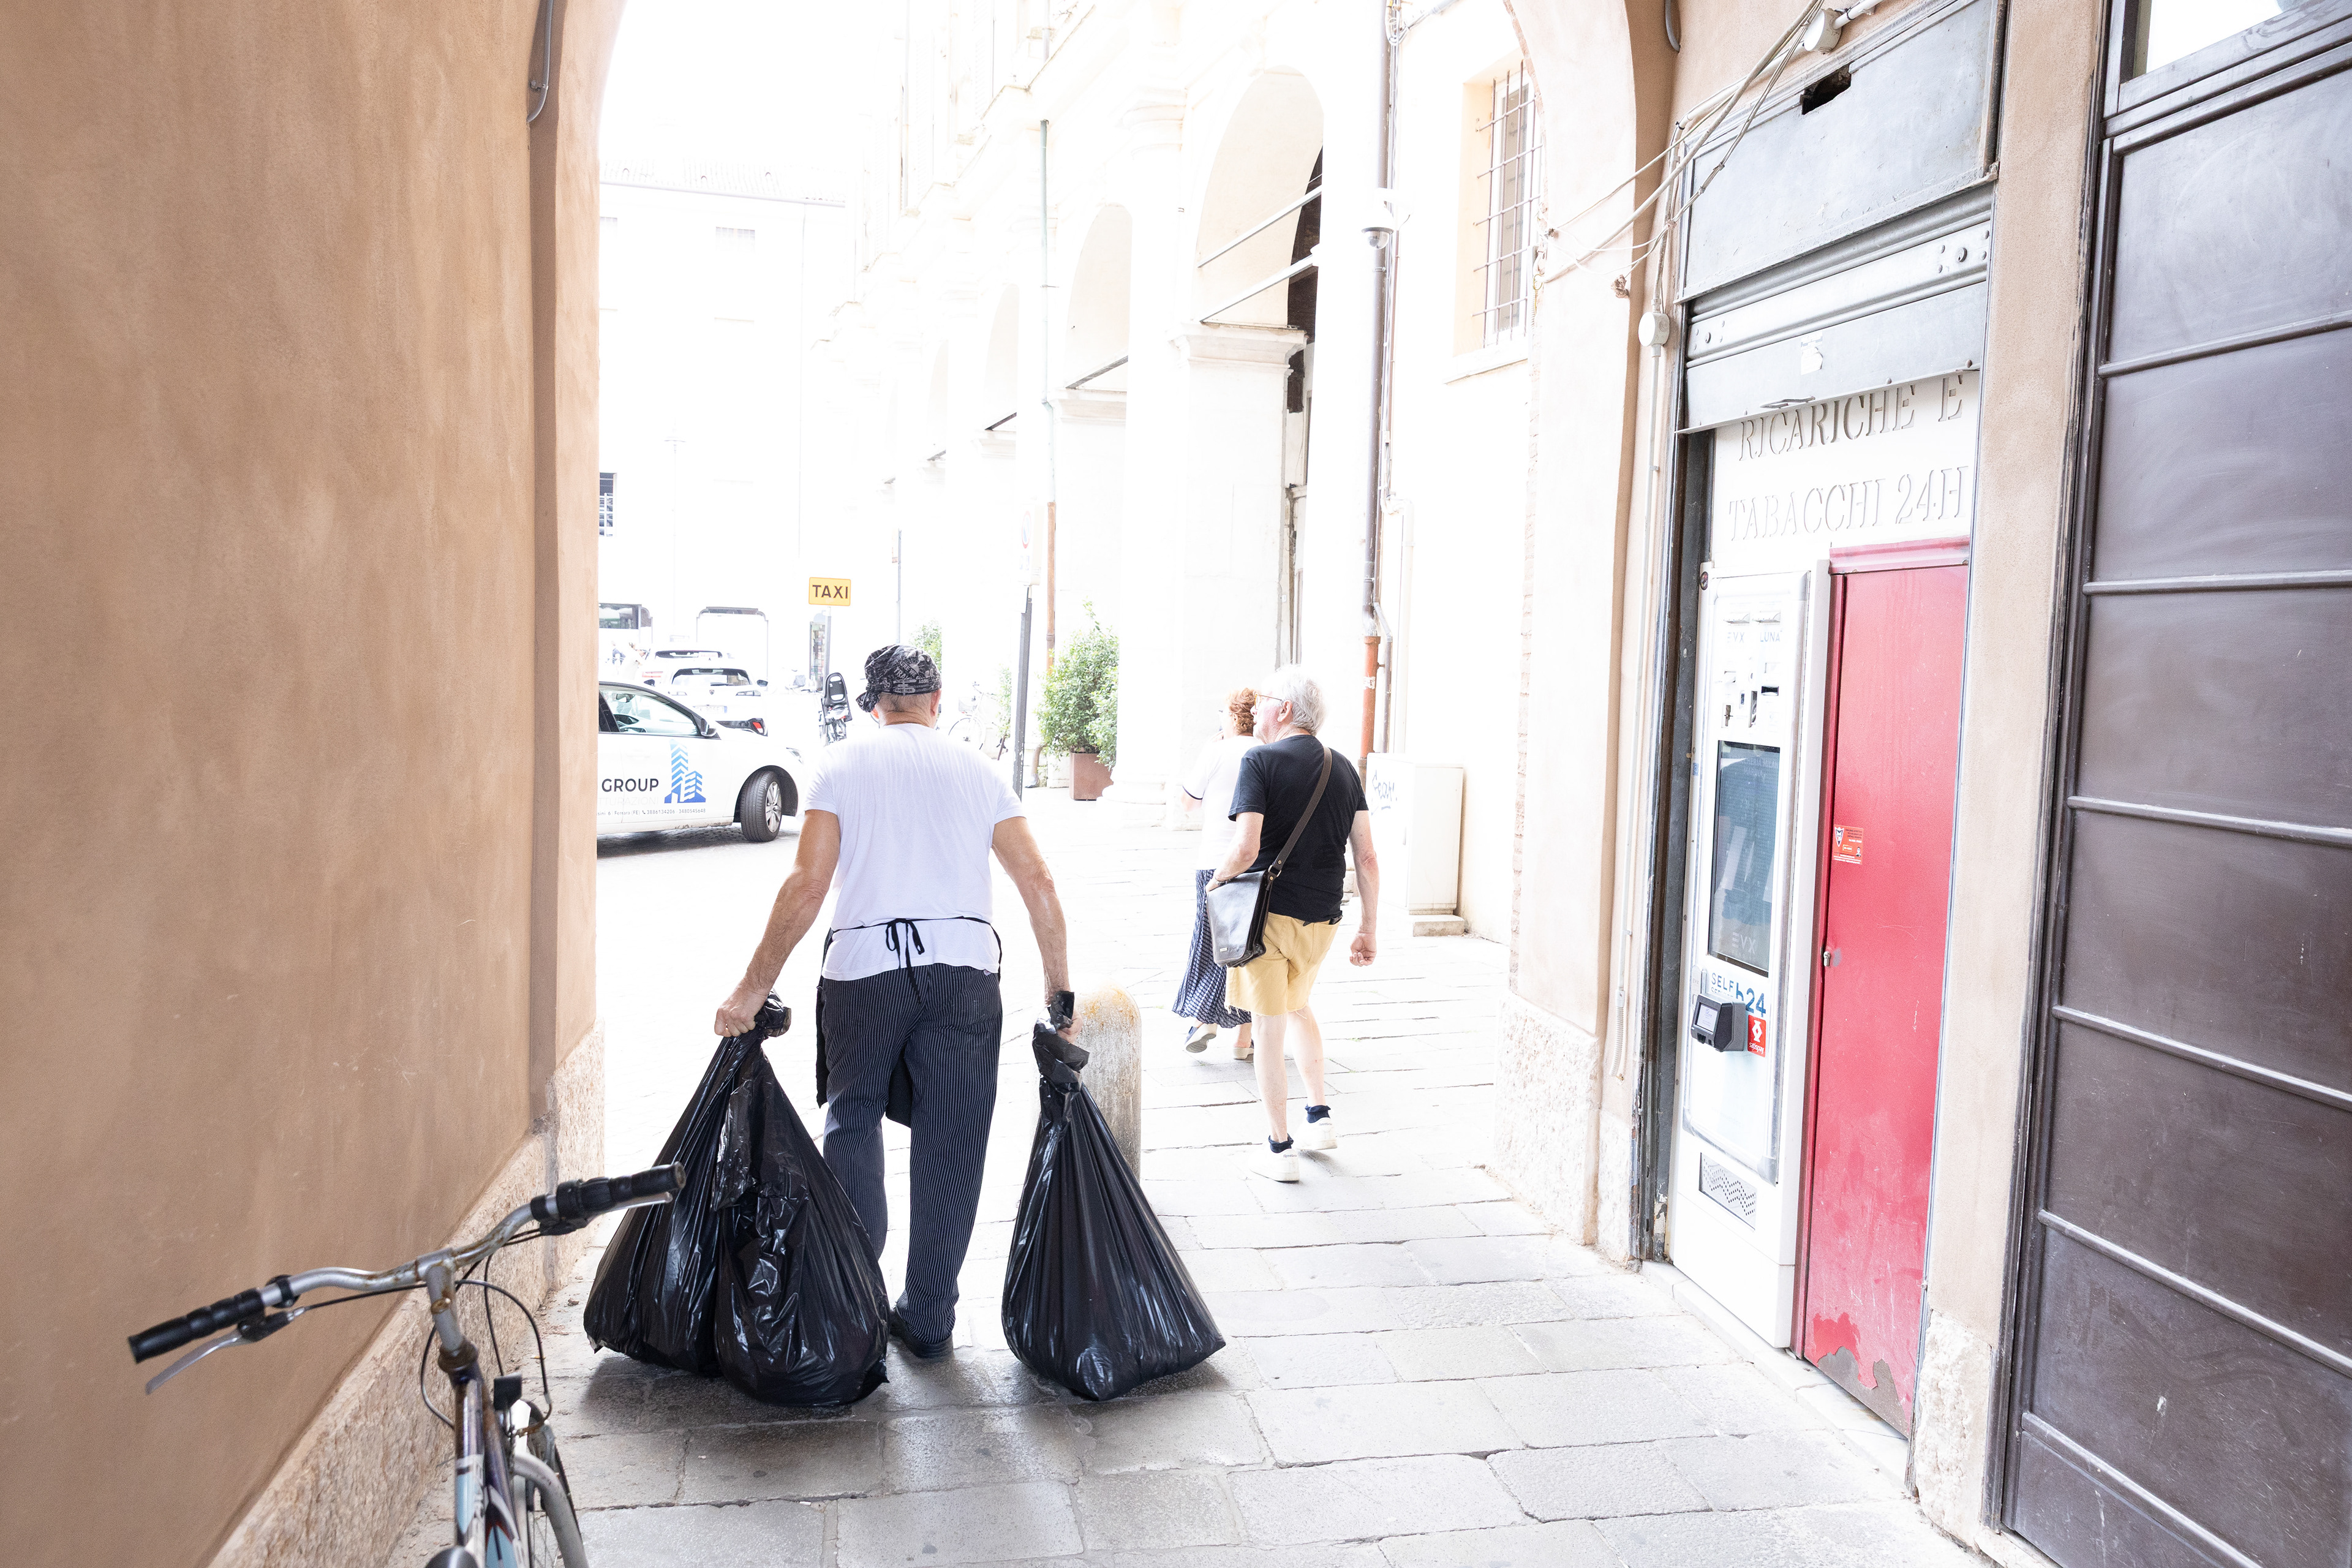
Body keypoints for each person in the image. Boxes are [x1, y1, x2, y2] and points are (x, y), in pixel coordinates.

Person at [715, 644, 1074, 1359]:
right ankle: (930, 1318)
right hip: (964, 972)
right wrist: (1059, 994)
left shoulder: (841, 765)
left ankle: (854, 1301)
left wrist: (750, 990)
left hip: (865, 971)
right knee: (955, 1138)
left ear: (873, 705)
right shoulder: (979, 771)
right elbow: (1038, 882)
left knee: (852, 1122)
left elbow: (807, 886)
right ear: (936, 701)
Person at [1206, 665, 1378, 1183]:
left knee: (1268, 1026)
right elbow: (1367, 857)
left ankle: (1279, 1148)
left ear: (1283, 710)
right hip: (1322, 919)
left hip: (1268, 917)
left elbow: (1246, 849)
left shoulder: (1259, 760)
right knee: (1298, 1006)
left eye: (1263, 699)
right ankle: (1319, 1118)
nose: (1255, 708)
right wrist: (1369, 928)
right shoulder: (1343, 768)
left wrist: (1216, 882)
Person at [1174, 688, 1261, 1060]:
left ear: (1233, 716)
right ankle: (1244, 1040)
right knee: (1251, 945)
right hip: (1257, 860)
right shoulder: (1266, 751)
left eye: (1223, 712)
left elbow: (1188, 803)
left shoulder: (1215, 751)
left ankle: (1203, 1018)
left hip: (1214, 860)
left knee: (1210, 939)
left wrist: (1208, 754)